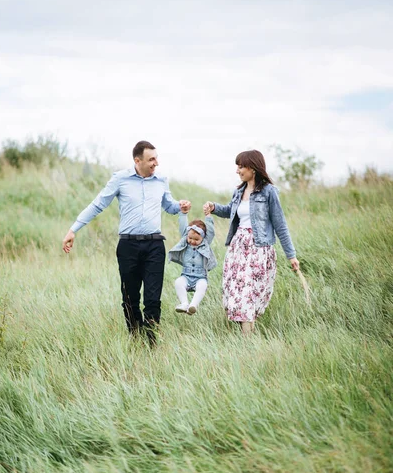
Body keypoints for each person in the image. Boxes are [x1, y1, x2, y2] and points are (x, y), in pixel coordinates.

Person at [62, 140, 191, 343]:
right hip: (128, 246)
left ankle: (152, 343)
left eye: (156, 158)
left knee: (152, 298)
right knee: (130, 298)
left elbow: (169, 205)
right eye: (151, 159)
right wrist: (73, 229)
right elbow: (98, 204)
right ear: (137, 160)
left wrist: (181, 206)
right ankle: (135, 336)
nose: (156, 163)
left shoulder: (161, 181)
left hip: (155, 246)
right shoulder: (120, 179)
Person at [203, 149, 299, 335]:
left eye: (241, 167)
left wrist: (291, 255)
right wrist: (214, 207)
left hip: (258, 248)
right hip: (238, 247)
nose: (238, 171)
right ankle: (247, 337)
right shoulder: (239, 191)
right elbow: (231, 211)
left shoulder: (269, 192)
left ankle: (247, 340)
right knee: (237, 293)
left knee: (248, 293)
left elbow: (280, 225)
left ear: (253, 168)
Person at [168, 212, 217, 315]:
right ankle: (184, 303)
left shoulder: (205, 244)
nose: (192, 241)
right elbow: (182, 228)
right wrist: (183, 214)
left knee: (202, 286)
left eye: (196, 239)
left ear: (203, 238)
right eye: (190, 238)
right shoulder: (185, 242)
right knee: (178, 282)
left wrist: (208, 216)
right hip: (186, 275)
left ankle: (193, 305)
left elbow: (211, 232)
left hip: (200, 277)